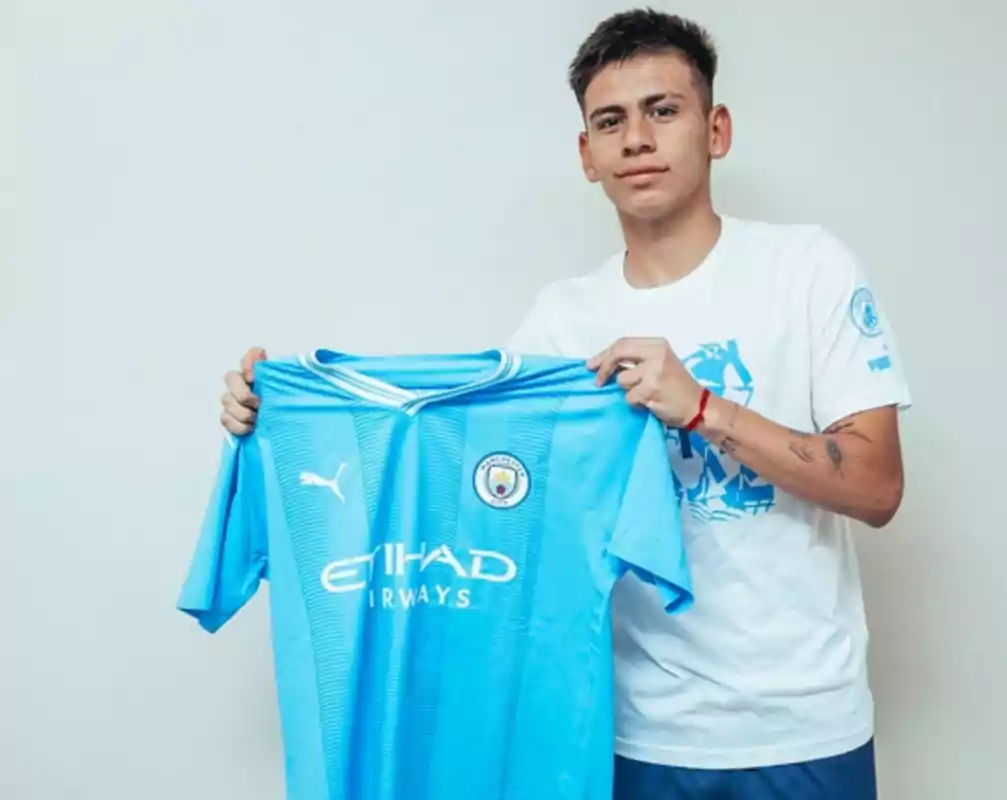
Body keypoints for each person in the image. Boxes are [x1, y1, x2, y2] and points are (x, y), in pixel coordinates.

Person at [219, 8, 911, 800]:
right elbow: (460, 486)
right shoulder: (560, 323)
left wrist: (701, 408)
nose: (637, 139)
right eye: (610, 121)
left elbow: (877, 487)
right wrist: (284, 422)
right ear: (587, 155)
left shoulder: (807, 270)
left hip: (802, 727)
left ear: (715, 129)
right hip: (629, 734)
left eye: (664, 110)